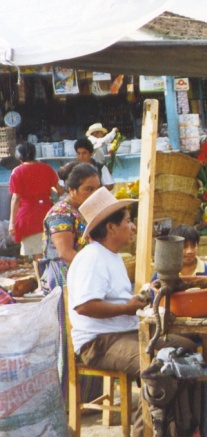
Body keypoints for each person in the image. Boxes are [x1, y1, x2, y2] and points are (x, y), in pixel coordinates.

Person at [67, 187, 197, 437]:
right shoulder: (92, 258)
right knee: (159, 365)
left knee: (186, 349)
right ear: (110, 228)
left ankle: (176, 430)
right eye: (127, 221)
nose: (133, 226)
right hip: (98, 343)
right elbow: (84, 306)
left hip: (121, 334)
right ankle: (145, 433)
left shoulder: (112, 257)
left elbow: (115, 299)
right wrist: (128, 306)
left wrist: (142, 295)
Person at [39, 162, 102, 402]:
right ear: (72, 190)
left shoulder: (86, 210)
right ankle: (67, 399)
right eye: (88, 189)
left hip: (81, 274)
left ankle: (90, 395)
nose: (94, 194)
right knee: (69, 336)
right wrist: (92, 272)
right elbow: (65, 251)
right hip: (63, 277)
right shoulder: (60, 212)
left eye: (97, 188)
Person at [9, 142, 62, 260]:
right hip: (47, 213)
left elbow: (15, 198)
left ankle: (40, 279)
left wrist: (12, 222)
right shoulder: (47, 168)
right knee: (51, 252)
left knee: (37, 256)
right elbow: (60, 190)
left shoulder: (17, 172)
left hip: (28, 216)